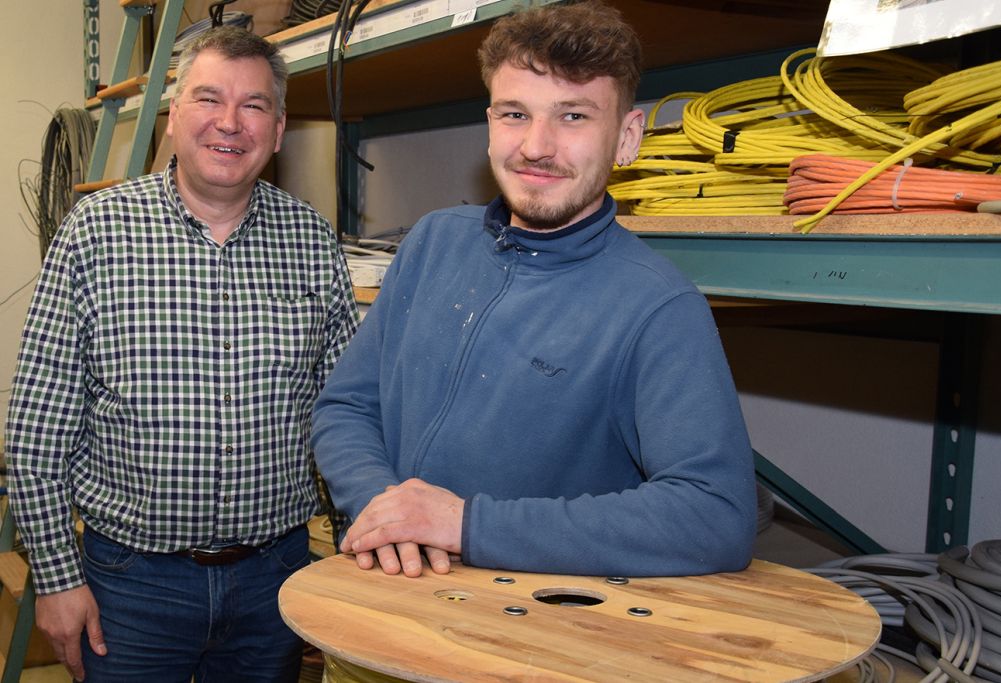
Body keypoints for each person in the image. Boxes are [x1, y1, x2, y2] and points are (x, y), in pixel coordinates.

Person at [311, 0, 755, 580]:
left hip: (520, 636)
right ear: (490, 123)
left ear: (626, 138)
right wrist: (385, 505)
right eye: (515, 115)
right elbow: (346, 406)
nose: (536, 146)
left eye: (573, 117)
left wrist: (465, 525)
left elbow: (714, 517)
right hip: (380, 597)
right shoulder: (433, 241)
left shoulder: (658, 307)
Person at [5, 26, 359, 683]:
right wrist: (57, 578)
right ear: (172, 116)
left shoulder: (310, 239)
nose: (230, 122)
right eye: (208, 98)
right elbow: (36, 432)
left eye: (254, 105)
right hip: (131, 585)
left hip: (273, 582)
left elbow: (344, 415)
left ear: (277, 129)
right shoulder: (97, 233)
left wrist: (355, 546)